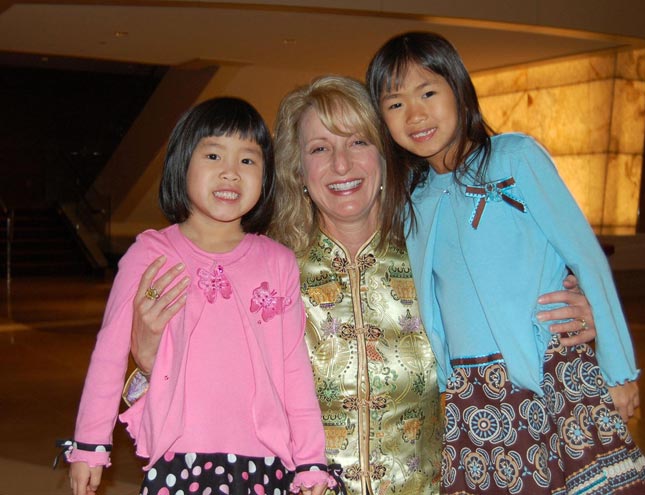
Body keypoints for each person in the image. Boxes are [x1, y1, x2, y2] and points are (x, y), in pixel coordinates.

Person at [127, 77, 600, 495]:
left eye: (358, 142)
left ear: (384, 156)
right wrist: (149, 362)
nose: (341, 164)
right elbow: (208, 398)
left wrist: (575, 314)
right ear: (298, 170)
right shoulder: (266, 273)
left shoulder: (435, 253)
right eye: (319, 149)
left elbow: (510, 309)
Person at [366, 31, 645, 494]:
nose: (415, 114)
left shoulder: (514, 158)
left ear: (458, 90)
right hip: (474, 392)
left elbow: (586, 258)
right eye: (395, 103)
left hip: (552, 370)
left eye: (428, 93)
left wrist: (618, 369)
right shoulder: (412, 201)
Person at [64, 97, 335, 495]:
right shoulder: (151, 254)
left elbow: (294, 369)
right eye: (213, 155)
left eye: (248, 160)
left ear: (266, 177)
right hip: (178, 457)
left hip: (265, 462)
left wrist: (311, 460)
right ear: (182, 163)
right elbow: (110, 352)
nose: (230, 172)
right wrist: (90, 444)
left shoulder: (278, 262)